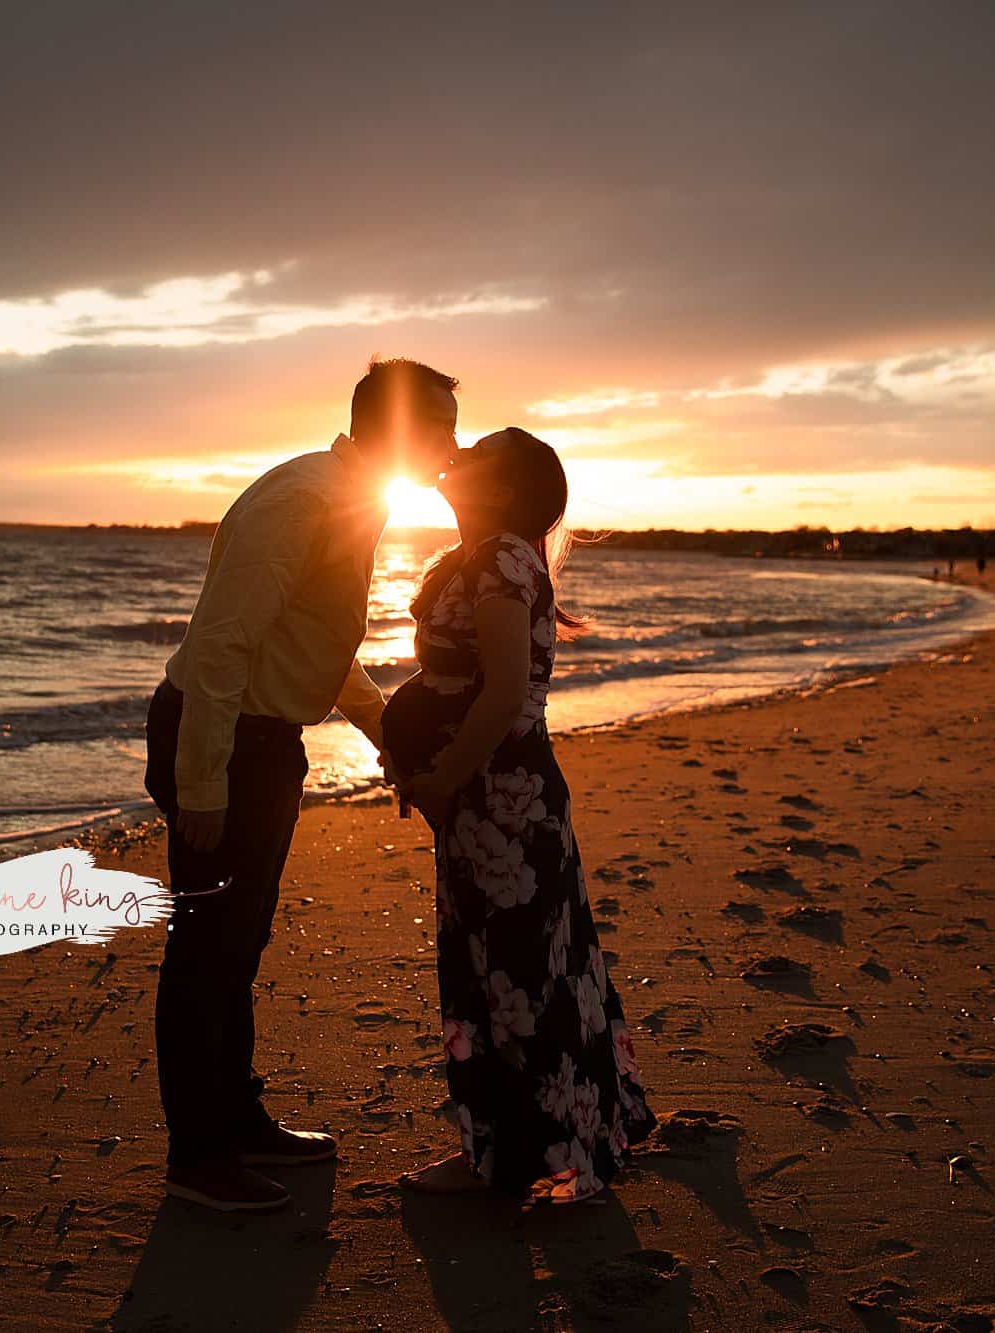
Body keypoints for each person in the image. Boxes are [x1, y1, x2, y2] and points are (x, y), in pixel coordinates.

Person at [143, 357, 461, 1212]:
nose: (452, 446)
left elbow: (310, 638)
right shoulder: (303, 498)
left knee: (239, 944)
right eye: (440, 426)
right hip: (223, 741)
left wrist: (380, 724)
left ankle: (238, 1122)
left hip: (263, 741)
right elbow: (222, 644)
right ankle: (198, 1159)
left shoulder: (358, 500)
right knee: (207, 949)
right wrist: (202, 781)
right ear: (393, 427)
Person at [380, 428, 656, 1201]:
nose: (456, 448)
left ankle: (506, 1161)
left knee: (507, 975)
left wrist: (438, 781)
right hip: (494, 800)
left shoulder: (501, 557)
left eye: (479, 449)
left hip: (501, 804)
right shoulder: (487, 555)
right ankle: (527, 1148)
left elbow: (502, 695)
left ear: (501, 490)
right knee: (515, 969)